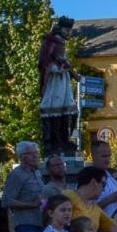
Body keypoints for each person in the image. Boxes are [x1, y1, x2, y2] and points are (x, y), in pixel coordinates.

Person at [39, 16, 77, 155]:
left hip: (63, 80)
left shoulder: (61, 43)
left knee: (69, 110)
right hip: (54, 81)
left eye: (69, 30)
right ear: (60, 29)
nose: (69, 33)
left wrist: (69, 71)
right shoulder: (50, 42)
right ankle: (53, 143)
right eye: (67, 30)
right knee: (53, 109)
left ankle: (64, 139)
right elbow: (44, 61)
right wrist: (56, 69)